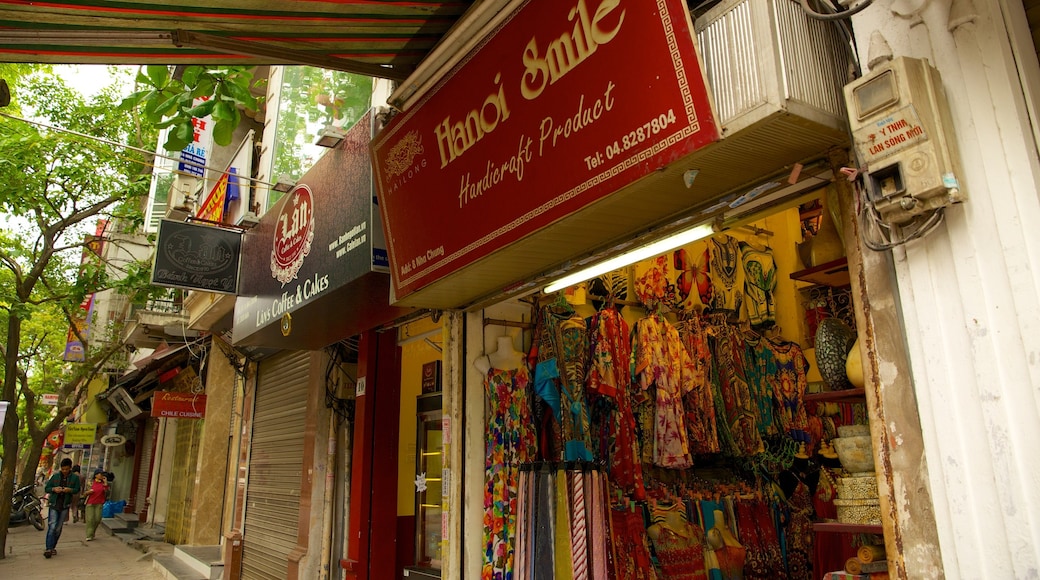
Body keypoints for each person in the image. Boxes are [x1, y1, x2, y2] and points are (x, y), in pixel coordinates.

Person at [43, 458, 81, 558]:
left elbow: (77, 490)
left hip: (65, 505)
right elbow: (47, 488)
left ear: (70, 468)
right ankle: (48, 548)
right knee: (52, 526)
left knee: (58, 528)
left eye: (66, 469)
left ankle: (53, 546)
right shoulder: (55, 477)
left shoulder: (74, 478)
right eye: (63, 469)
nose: (64, 471)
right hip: (54, 504)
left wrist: (70, 490)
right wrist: (54, 489)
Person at [84, 469, 110, 541]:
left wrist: (105, 484)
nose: (102, 475)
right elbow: (84, 493)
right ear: (96, 475)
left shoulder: (104, 484)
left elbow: (107, 493)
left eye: (102, 474)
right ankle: (89, 535)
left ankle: (92, 532)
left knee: (97, 519)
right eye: (100, 474)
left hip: (99, 503)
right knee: (90, 519)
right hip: (90, 503)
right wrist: (88, 492)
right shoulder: (91, 483)